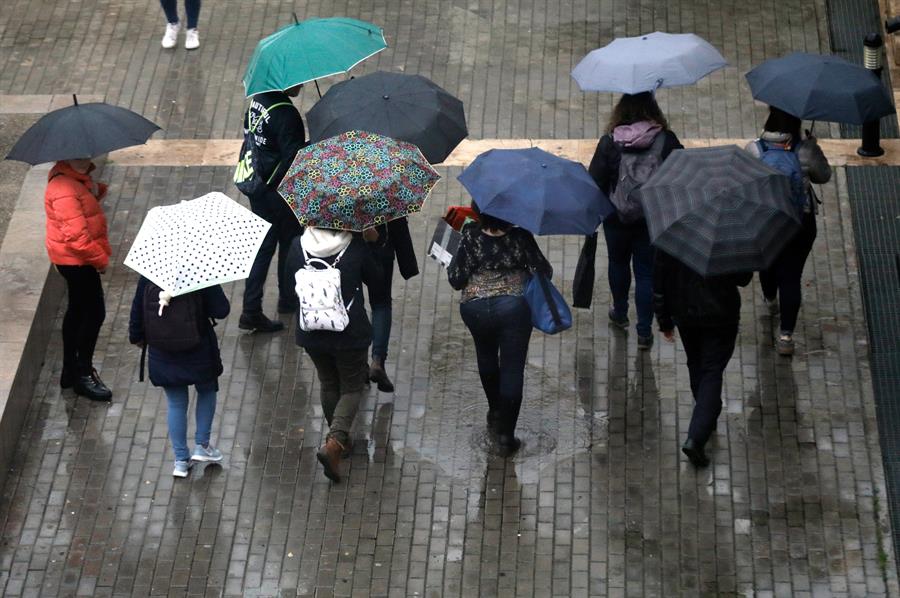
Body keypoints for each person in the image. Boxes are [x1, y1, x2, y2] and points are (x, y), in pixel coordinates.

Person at [447, 205, 553, 454]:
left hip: (475, 310)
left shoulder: (470, 235)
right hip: (514, 310)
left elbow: (455, 279)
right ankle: (506, 436)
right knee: (512, 368)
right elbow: (545, 271)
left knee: (485, 356)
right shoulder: (521, 237)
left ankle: (495, 410)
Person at [285, 227, 385, 482]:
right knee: (352, 387)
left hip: (311, 330)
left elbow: (288, 286)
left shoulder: (298, 245)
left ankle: (341, 443)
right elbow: (377, 281)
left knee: (328, 382)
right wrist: (373, 243)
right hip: (348, 332)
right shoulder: (355, 246)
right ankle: (335, 442)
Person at [588, 92, 683, 350]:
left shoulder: (609, 142)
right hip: (651, 217)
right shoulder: (666, 140)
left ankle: (620, 312)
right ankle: (644, 332)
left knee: (618, 263)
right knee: (645, 272)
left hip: (615, 217)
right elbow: (682, 174)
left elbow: (594, 180)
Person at [745, 107, 832, 356]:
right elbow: (824, 176)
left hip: (766, 221)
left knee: (768, 262)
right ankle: (786, 336)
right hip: (799, 222)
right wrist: (813, 146)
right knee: (792, 275)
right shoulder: (805, 150)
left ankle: (770, 299)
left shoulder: (754, 149)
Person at [653, 250, 752, 467]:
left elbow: (659, 278)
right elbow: (744, 278)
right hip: (721, 313)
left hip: (685, 311)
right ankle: (697, 436)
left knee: (696, 363)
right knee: (711, 370)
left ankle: (705, 414)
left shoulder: (672, 233)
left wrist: (664, 319)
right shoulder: (729, 234)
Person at [128, 278, 230, 477]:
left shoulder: (150, 272)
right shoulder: (200, 271)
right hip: (198, 347)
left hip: (162, 349)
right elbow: (221, 310)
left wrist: (137, 336)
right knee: (207, 390)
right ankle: (203, 445)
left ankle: (181, 461)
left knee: (175, 403)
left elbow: (137, 310)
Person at [239, 85, 307, 333]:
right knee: (289, 242)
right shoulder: (286, 114)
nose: (302, 85)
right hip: (279, 191)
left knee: (263, 247)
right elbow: (293, 160)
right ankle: (286, 300)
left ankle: (252, 308)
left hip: (258, 185)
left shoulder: (257, 102)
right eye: (298, 82)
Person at [44, 158, 113, 401]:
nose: (87, 160)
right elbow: (77, 238)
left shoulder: (73, 181)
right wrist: (101, 260)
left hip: (71, 259)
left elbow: (83, 211)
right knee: (94, 313)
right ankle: (83, 373)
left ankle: (70, 369)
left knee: (77, 309)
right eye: (81, 157)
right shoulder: (64, 189)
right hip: (76, 261)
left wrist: (95, 190)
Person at [362, 219, 419, 393]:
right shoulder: (387, 193)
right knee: (381, 304)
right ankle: (378, 360)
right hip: (381, 248)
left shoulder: (336, 192)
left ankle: (358, 364)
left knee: (353, 302)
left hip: (346, 251)